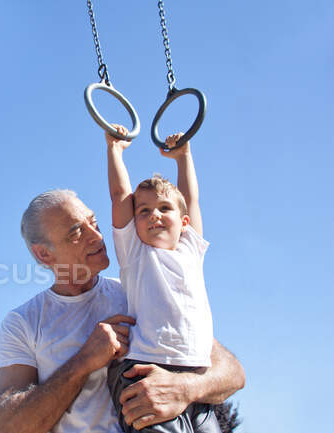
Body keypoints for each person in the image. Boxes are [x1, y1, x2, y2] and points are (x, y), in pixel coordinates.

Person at [0, 188, 245, 433]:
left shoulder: (137, 291)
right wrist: (84, 361)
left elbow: (232, 372)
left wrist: (184, 388)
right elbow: (9, 427)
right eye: (77, 232)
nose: (97, 237)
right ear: (44, 254)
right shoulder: (22, 323)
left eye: (94, 221)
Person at [105, 125, 220, 433]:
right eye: (143, 211)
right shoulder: (136, 253)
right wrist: (115, 150)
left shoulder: (190, 248)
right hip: (145, 368)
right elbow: (119, 196)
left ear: (182, 223)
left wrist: (183, 157)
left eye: (164, 208)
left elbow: (190, 200)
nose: (153, 215)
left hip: (195, 375)